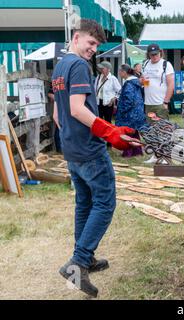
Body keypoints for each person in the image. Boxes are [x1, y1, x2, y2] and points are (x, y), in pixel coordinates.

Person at [52, 19, 141, 298]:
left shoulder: (60, 65)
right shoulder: (78, 65)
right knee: (104, 202)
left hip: (72, 149)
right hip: (89, 151)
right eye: (90, 43)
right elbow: (77, 109)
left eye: (96, 46)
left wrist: (71, 140)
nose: (93, 49)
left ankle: (84, 260)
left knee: (85, 203)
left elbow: (58, 115)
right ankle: (78, 261)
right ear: (77, 37)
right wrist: (109, 131)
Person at [116, 64, 148, 157]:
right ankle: (137, 151)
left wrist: (122, 110)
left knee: (127, 132)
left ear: (124, 72)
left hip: (130, 113)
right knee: (134, 132)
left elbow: (128, 100)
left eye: (119, 71)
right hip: (137, 111)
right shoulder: (135, 82)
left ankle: (128, 152)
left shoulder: (129, 84)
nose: (119, 73)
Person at [141, 43, 175, 121]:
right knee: (150, 127)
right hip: (148, 103)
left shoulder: (166, 64)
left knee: (162, 128)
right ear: (148, 55)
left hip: (160, 102)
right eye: (152, 55)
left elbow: (171, 84)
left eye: (156, 54)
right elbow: (144, 82)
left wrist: (166, 102)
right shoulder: (145, 64)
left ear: (160, 52)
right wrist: (143, 81)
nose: (154, 56)